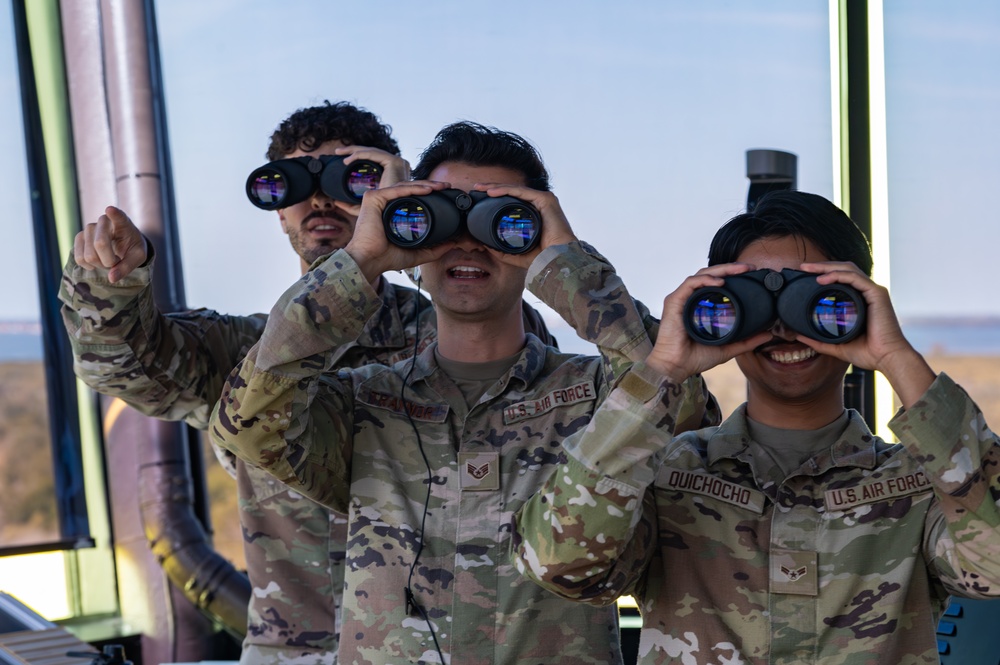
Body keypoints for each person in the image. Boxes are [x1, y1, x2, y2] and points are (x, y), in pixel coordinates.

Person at [59, 103, 557, 664]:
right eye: (294, 181)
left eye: (351, 178)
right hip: (295, 651)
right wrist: (111, 280)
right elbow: (118, 365)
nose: (319, 199)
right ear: (277, 210)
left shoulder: (465, 336)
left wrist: (422, 229)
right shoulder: (248, 351)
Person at [207, 121, 719, 665]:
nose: (470, 241)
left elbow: (684, 409)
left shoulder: (598, 397)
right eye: (444, 218)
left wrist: (569, 264)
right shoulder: (362, 406)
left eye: (500, 221)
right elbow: (248, 425)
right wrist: (361, 261)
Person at [513, 190, 1000, 664]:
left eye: (815, 300)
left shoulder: (918, 485)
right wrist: (661, 370)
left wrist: (898, 358)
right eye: (755, 303)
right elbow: (561, 564)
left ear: (866, 306)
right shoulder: (663, 476)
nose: (785, 328)